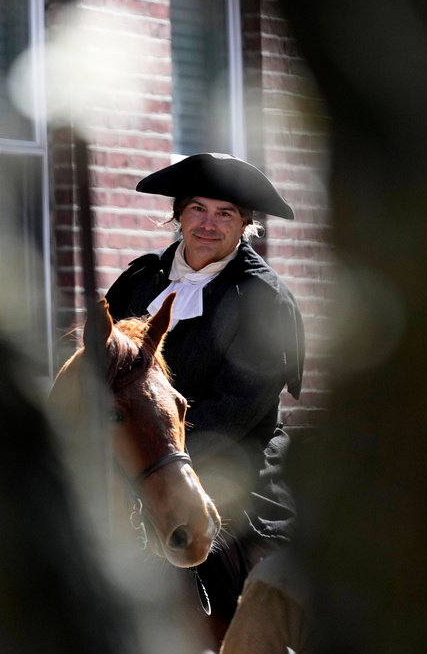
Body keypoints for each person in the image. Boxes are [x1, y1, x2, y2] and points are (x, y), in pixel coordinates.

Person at [104, 153, 305, 644]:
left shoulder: (264, 300)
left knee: (249, 574)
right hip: (138, 463)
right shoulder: (137, 281)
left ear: (246, 225)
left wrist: (153, 455)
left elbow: (235, 408)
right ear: (178, 214)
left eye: (226, 213)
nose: (208, 224)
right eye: (198, 208)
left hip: (230, 464)